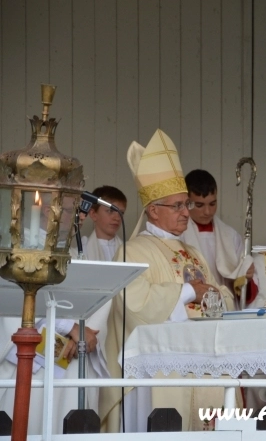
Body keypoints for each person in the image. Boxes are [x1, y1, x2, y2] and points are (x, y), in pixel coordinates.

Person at [99, 129, 237, 432]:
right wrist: (188, 292)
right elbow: (134, 306)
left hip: (205, 360)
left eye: (186, 205)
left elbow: (222, 295)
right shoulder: (132, 251)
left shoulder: (193, 253)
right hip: (159, 371)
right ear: (153, 210)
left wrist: (212, 296)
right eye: (178, 206)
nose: (186, 213)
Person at [0, 195, 99, 434]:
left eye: (82, 212)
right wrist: (69, 329)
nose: (80, 218)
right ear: (48, 211)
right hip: (31, 361)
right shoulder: (17, 248)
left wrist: (81, 334)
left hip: (74, 358)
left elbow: (94, 300)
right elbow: (16, 302)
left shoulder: (73, 252)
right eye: (72, 211)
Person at [180, 169, 253, 304]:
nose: (207, 212)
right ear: (187, 201)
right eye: (199, 205)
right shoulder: (178, 236)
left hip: (225, 305)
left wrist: (246, 276)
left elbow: (244, 293)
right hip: (192, 306)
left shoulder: (231, 237)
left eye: (212, 204)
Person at [80, 185, 127, 362]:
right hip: (94, 322)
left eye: (121, 212)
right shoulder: (82, 249)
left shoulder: (128, 250)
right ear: (93, 214)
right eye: (110, 211)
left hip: (120, 319)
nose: (117, 217)